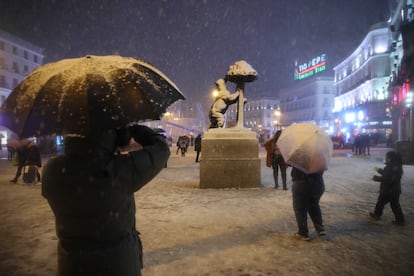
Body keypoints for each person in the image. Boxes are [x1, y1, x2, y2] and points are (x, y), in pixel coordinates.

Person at [41, 125, 170, 276]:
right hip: (117, 264)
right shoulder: (118, 170)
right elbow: (161, 148)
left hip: (71, 263)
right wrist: (132, 128)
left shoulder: (52, 170)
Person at [369, 150, 405, 226]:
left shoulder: (390, 167)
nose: (385, 158)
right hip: (395, 191)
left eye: (386, 156)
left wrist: (375, 178)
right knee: (395, 206)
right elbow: (388, 175)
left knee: (380, 203)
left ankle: (377, 215)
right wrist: (379, 170)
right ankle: (400, 220)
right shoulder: (397, 166)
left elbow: (386, 179)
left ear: (389, 158)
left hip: (387, 191)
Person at [291, 167, 326, 241]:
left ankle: (303, 233)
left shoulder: (299, 156)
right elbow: (322, 169)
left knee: (300, 209)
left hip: (302, 183)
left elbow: (289, 163)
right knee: (314, 205)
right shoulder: (319, 156)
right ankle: (320, 227)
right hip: (318, 183)